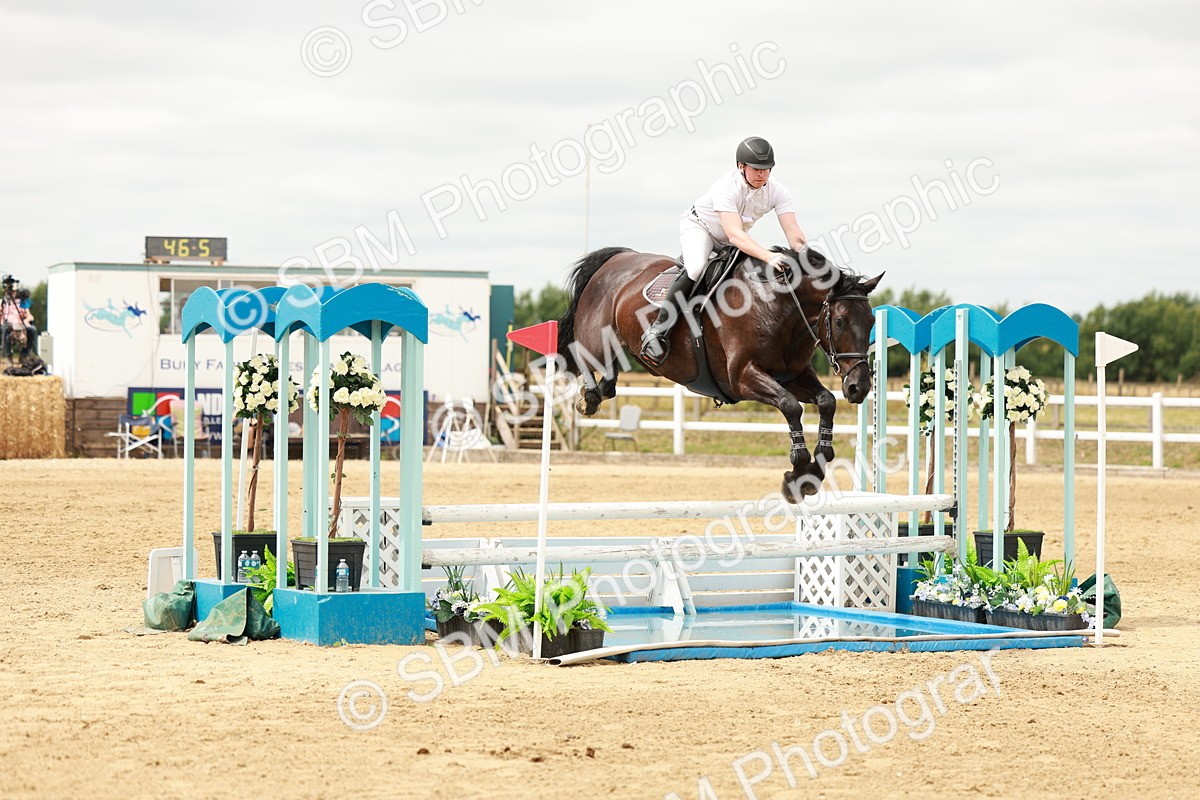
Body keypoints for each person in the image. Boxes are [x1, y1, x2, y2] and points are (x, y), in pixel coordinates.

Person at [640, 136, 809, 366]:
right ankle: (657, 330)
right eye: (756, 169)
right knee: (697, 267)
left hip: (733, 238)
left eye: (767, 169)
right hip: (702, 228)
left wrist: (807, 259)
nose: (762, 174)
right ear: (741, 166)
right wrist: (769, 256)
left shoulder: (779, 192)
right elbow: (734, 234)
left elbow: (794, 234)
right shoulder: (725, 187)